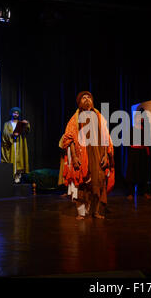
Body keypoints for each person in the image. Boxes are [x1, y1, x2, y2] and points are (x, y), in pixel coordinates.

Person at [61, 91, 115, 220]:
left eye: (89, 97)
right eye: (83, 98)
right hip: (82, 155)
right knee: (82, 183)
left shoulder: (99, 117)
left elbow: (107, 138)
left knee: (98, 183)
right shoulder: (75, 119)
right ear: (79, 102)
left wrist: (106, 156)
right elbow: (69, 140)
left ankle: (96, 211)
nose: (86, 100)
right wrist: (74, 157)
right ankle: (81, 212)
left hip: (98, 155)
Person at [125, 113, 151, 201]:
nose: (139, 119)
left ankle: (144, 192)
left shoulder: (145, 130)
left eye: (140, 118)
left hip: (142, 153)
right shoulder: (131, 130)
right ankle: (130, 193)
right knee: (132, 172)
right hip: (134, 152)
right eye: (137, 118)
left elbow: (148, 141)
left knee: (143, 171)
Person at [1, 107, 30, 183]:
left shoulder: (21, 123)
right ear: (11, 113)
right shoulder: (7, 124)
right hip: (11, 144)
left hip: (19, 144)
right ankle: (11, 176)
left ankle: (18, 176)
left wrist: (26, 124)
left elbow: (27, 130)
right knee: (12, 159)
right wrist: (11, 135)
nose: (15, 114)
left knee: (19, 159)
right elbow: (4, 133)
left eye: (17, 113)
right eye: (14, 112)